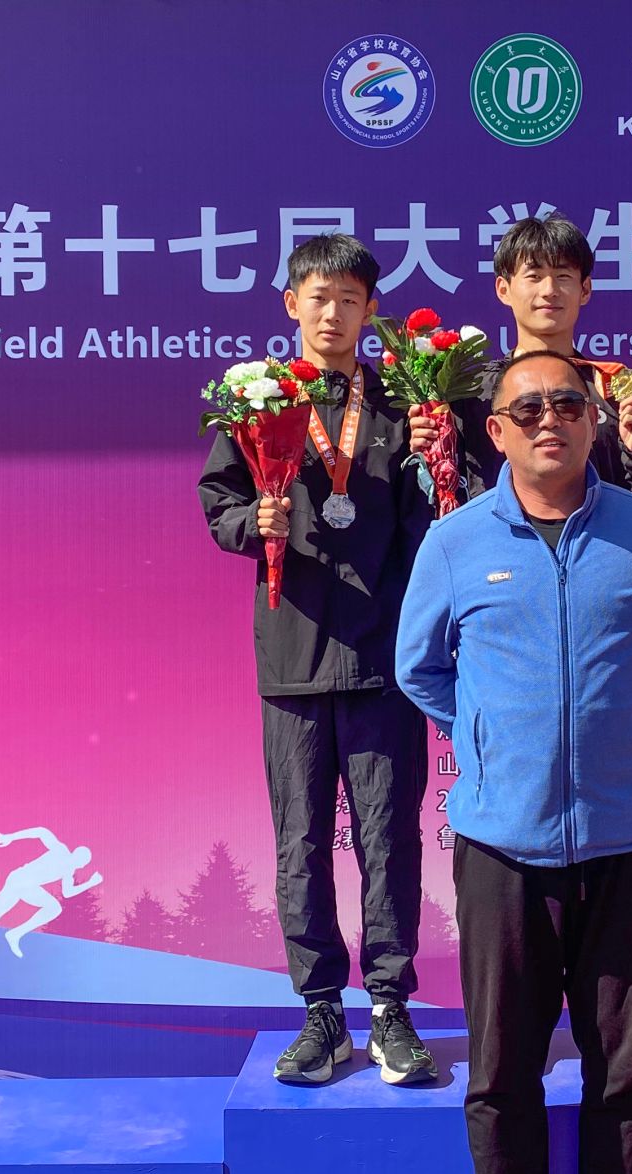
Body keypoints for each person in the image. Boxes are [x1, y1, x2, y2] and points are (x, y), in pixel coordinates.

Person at [398, 350, 632, 1174]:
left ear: (591, 421)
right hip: (501, 847)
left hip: (626, 842)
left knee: (624, 1063)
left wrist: (623, 744)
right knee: (501, 1064)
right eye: (526, 406)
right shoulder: (454, 542)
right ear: (494, 429)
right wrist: (496, 747)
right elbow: (420, 670)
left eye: (567, 403)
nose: (549, 419)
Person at [198, 234, 437, 1086]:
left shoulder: (401, 405)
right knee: (299, 843)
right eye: (319, 296)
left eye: (350, 299)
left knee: (389, 839)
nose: (333, 313)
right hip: (293, 656)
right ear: (291, 303)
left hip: (383, 659)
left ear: (371, 310)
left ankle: (391, 1008)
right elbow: (220, 499)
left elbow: (427, 523)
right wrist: (247, 525)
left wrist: (431, 466)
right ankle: (322, 1012)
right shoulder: (256, 398)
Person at [411, 213, 632, 512]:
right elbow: (440, 507)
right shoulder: (470, 392)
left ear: (585, 290)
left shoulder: (614, 389)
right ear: (503, 289)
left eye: (563, 276)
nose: (549, 290)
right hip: (493, 542)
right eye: (534, 276)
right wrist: (429, 451)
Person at [0, 827, 103, 958]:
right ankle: (11, 934)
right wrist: (11, 837)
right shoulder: (61, 850)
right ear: (78, 858)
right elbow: (41, 832)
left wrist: (90, 883)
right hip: (21, 880)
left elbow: (68, 893)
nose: (81, 867)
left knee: (50, 908)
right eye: (83, 863)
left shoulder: (68, 871)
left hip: (24, 884)